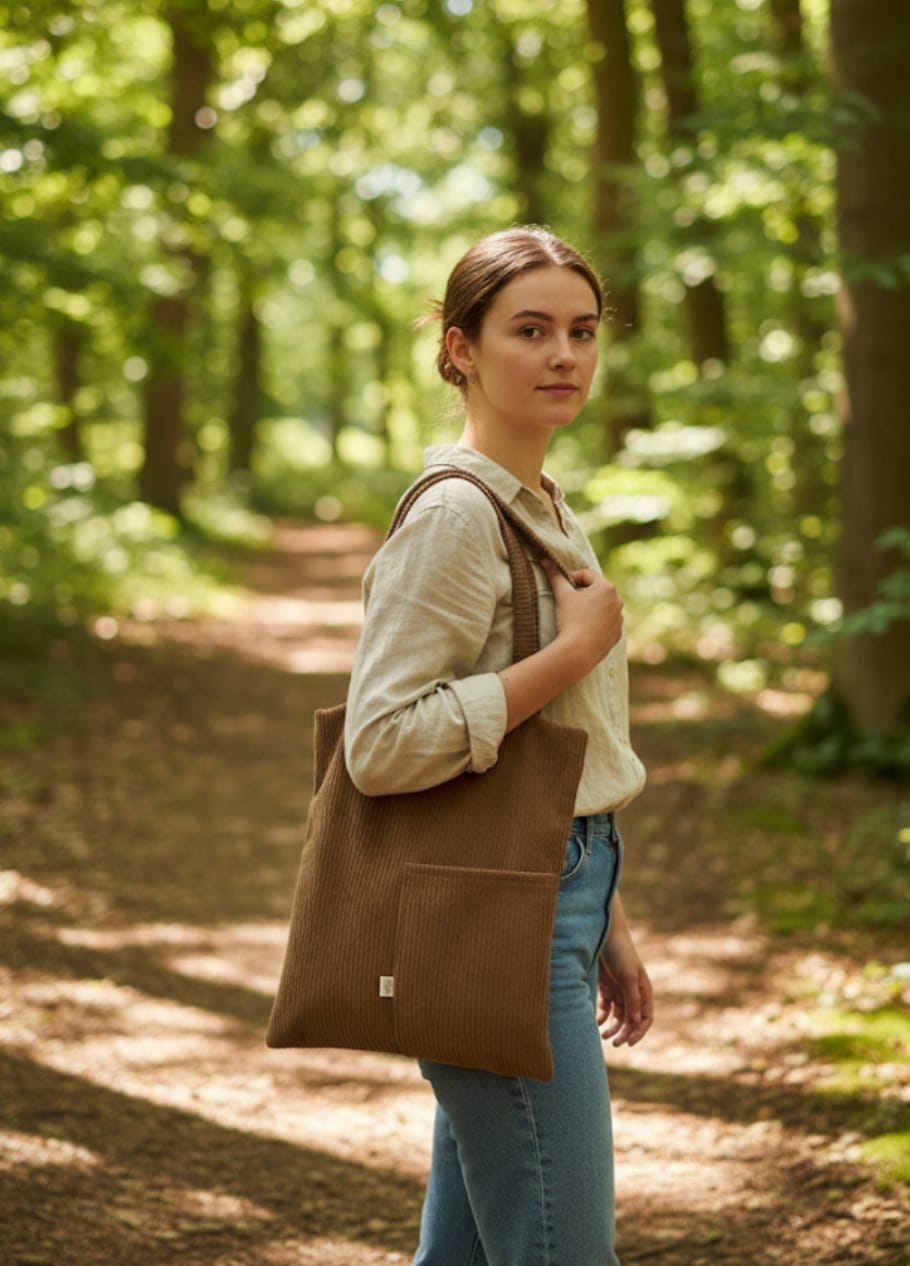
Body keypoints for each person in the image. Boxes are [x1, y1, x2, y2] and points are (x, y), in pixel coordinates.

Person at [344, 227, 653, 1266]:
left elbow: (567, 746)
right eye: (529, 330)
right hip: (493, 917)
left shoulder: (542, 510)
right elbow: (379, 745)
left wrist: (603, 912)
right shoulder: (456, 520)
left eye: (581, 330)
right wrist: (567, 658)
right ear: (458, 349)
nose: (563, 354)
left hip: (550, 890)